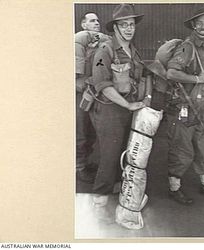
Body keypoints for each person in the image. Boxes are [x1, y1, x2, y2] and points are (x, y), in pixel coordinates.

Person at [88, 4, 151, 207]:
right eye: (124, 25)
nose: (129, 29)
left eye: (131, 24)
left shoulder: (133, 51)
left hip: (127, 108)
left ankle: (116, 189)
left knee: (124, 149)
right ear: (114, 27)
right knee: (110, 153)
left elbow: (144, 75)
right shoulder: (104, 51)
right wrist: (128, 105)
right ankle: (100, 198)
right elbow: (102, 85)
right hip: (109, 108)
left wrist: (146, 99)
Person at [166, 4, 204, 205]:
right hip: (183, 107)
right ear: (193, 25)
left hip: (199, 107)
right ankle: (174, 188)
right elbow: (171, 73)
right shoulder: (187, 46)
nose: (203, 27)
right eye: (199, 23)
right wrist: (198, 79)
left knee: (201, 145)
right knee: (183, 150)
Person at [75, 12, 102, 183]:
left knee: (91, 132)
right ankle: (79, 167)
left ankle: (86, 162)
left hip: (94, 93)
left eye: (98, 20)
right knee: (81, 132)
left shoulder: (98, 44)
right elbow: (76, 77)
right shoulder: (78, 43)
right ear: (83, 25)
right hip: (80, 95)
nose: (97, 23)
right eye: (92, 21)